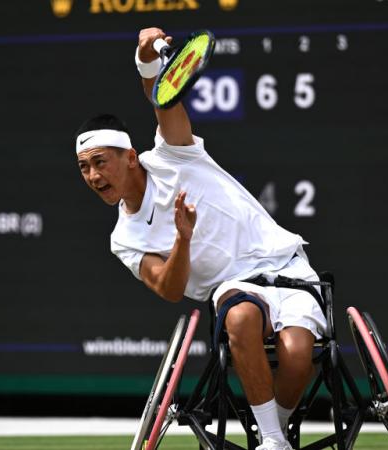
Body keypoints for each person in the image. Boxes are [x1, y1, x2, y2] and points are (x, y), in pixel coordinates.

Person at [75, 27, 327, 450]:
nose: (93, 176)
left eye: (100, 162)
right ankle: (271, 442)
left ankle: (274, 431)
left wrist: (144, 59)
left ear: (130, 157)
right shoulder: (124, 238)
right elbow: (171, 290)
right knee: (241, 320)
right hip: (236, 287)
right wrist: (183, 240)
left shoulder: (174, 152)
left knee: (299, 355)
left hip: (287, 264)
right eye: (84, 168)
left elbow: (164, 95)